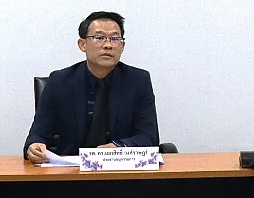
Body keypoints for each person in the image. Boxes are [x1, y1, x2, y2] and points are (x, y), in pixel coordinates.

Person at [24, 11, 158, 163]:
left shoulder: (138, 81)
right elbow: (38, 134)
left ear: (122, 46)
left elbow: (149, 137)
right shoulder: (59, 82)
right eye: (99, 38)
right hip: (71, 169)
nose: (108, 45)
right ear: (82, 44)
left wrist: (118, 147)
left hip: (121, 167)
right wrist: (34, 146)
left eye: (115, 39)